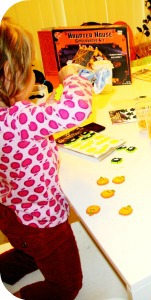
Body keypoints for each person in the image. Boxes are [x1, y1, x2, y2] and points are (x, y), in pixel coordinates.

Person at [0, 18, 93, 299]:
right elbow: (77, 110)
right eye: (27, 68)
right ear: (8, 74)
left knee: (28, 252)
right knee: (65, 286)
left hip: (10, 210)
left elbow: (28, 121)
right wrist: (71, 76)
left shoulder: (12, 115)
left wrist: (47, 105)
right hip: (43, 221)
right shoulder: (18, 120)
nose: (33, 73)